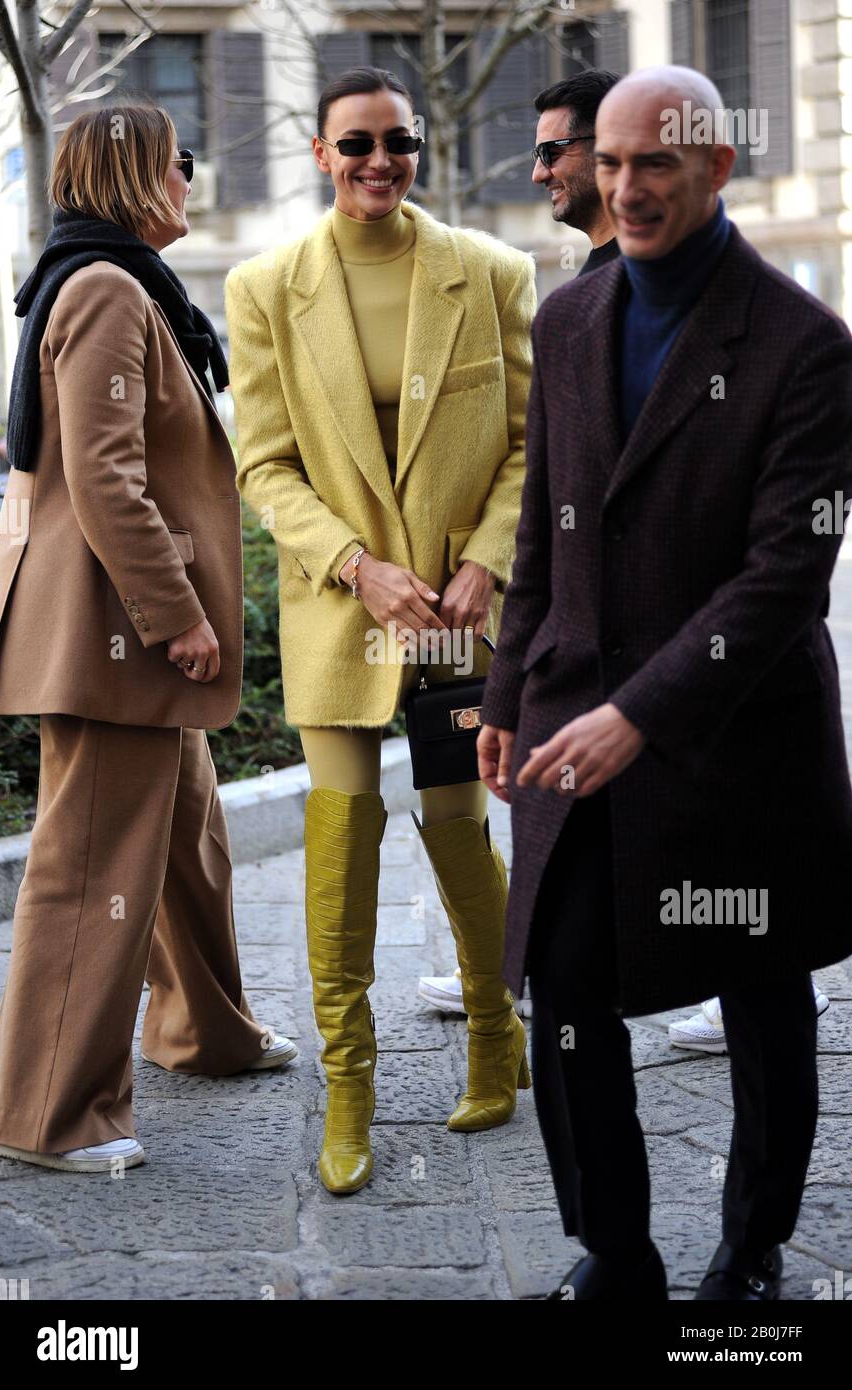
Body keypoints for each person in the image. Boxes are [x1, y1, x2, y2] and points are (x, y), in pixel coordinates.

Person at [478, 66, 852, 1301]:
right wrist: (496, 693)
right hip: (571, 716)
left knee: (760, 999)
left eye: (656, 165)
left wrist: (640, 713)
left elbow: (783, 578)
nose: (625, 187)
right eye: (611, 161)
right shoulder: (568, 319)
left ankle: (750, 1254)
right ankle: (617, 1255)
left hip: (740, 739)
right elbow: (541, 533)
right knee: (565, 980)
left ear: (716, 168)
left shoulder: (808, 347)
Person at [225, 66, 536, 1195]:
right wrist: (357, 567)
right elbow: (263, 463)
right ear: (319, 153)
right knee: (342, 829)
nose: (378, 161)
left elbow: (524, 442)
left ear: (417, 151)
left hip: (458, 612)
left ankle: (495, 1039)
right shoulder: (265, 287)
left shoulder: (492, 272)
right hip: (343, 614)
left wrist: (484, 561)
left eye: (396, 142)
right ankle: (348, 1089)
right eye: (354, 143)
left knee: (459, 823)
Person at [0, 104, 294, 1175]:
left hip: (115, 628)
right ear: (134, 177)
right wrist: (179, 618)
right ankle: (46, 1114)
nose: (190, 181)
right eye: (179, 164)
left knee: (186, 841)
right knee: (89, 866)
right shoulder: (110, 289)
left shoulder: (104, 280)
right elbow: (108, 480)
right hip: (119, 632)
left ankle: (203, 1031)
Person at [419, 67, 621, 1019]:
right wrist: (506, 693)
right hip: (580, 656)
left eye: (552, 150)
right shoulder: (576, 303)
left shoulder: (703, 310)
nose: (538, 170)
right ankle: (541, 977)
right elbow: (545, 513)